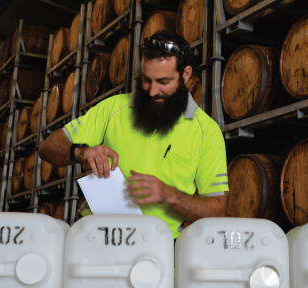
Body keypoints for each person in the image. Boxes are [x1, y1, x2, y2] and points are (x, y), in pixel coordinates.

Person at [38, 30, 228, 238]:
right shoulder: (113, 107)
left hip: (159, 245)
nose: (152, 91)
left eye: (163, 82)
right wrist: (80, 153)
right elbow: (47, 148)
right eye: (146, 79)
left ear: (186, 75)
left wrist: (170, 195)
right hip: (96, 234)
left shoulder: (206, 131)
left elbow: (217, 209)